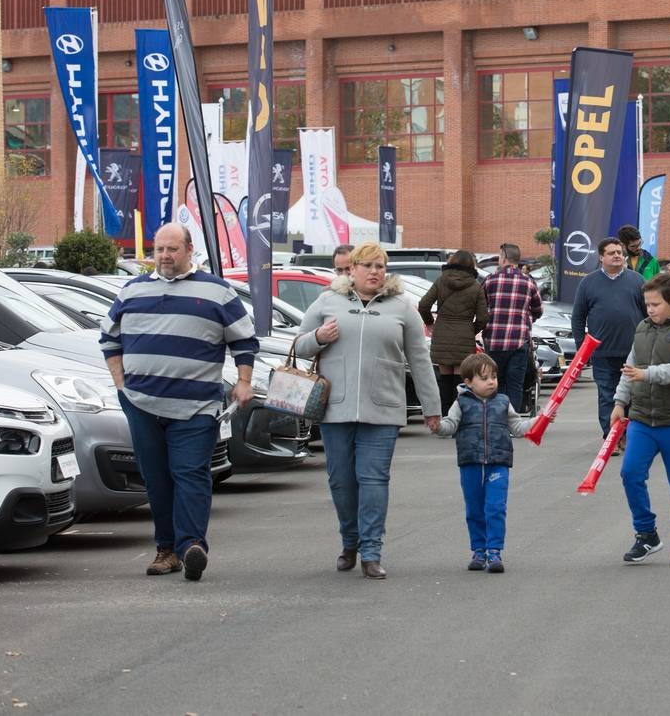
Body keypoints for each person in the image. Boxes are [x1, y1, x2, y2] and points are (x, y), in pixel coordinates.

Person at [99, 223, 258, 581]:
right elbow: (109, 340)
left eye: (172, 249)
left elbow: (244, 342)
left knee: (191, 474)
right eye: (159, 250)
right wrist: (122, 385)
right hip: (142, 404)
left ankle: (191, 546)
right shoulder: (132, 290)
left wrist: (244, 382)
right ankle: (166, 550)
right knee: (156, 479)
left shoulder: (217, 292)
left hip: (196, 406)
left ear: (189, 250)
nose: (165, 256)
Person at [294, 242, 441, 579]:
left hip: (383, 409)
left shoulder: (402, 306)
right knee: (341, 481)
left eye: (380, 266)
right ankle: (350, 541)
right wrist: (318, 336)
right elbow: (300, 346)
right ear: (353, 269)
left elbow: (419, 359)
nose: (375, 272)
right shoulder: (328, 300)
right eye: (368, 266)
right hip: (335, 408)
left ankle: (371, 552)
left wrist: (432, 408)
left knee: (374, 480)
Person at [611, 272, 670, 566]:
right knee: (630, 474)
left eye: (655, 304)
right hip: (642, 419)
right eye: (647, 304)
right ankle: (646, 535)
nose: (649, 310)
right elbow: (631, 365)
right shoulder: (642, 328)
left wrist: (647, 374)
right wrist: (619, 401)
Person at [433, 353, 543, 574]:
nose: (491, 381)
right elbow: (450, 426)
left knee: (495, 507)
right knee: (474, 509)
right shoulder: (460, 403)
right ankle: (479, 550)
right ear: (468, 382)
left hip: (498, 462)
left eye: (493, 376)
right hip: (470, 462)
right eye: (484, 378)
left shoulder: (504, 402)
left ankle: (494, 551)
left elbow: (519, 428)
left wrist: (541, 419)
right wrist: (438, 426)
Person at [571, 237, 646, 439]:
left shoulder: (637, 280)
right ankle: (611, 438)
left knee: (631, 396)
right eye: (612, 253)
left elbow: (648, 314)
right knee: (607, 396)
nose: (617, 256)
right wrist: (582, 349)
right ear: (601, 257)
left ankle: (629, 437)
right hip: (602, 353)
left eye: (620, 252)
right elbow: (578, 317)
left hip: (632, 352)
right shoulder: (588, 283)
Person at [418, 249, 488, 415]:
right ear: (471, 266)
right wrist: (472, 330)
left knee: (445, 380)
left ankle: (444, 418)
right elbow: (484, 317)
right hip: (464, 335)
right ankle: (458, 418)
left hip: (442, 332)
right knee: (461, 381)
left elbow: (423, 305)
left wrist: (429, 323)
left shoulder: (442, 280)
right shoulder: (476, 286)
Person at [481, 243, 543, 412]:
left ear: (503, 258)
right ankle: (513, 420)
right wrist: (527, 318)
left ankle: (498, 418)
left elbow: (481, 306)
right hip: (518, 340)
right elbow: (538, 309)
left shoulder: (490, 280)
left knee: (495, 381)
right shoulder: (528, 282)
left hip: (494, 340)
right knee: (515, 383)